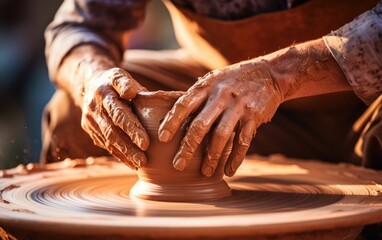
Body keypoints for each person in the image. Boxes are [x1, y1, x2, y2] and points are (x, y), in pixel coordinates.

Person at [42, 0, 382, 177]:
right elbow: (79, 25)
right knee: (76, 112)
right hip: (226, 103)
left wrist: (277, 76)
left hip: (365, 108)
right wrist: (91, 79)